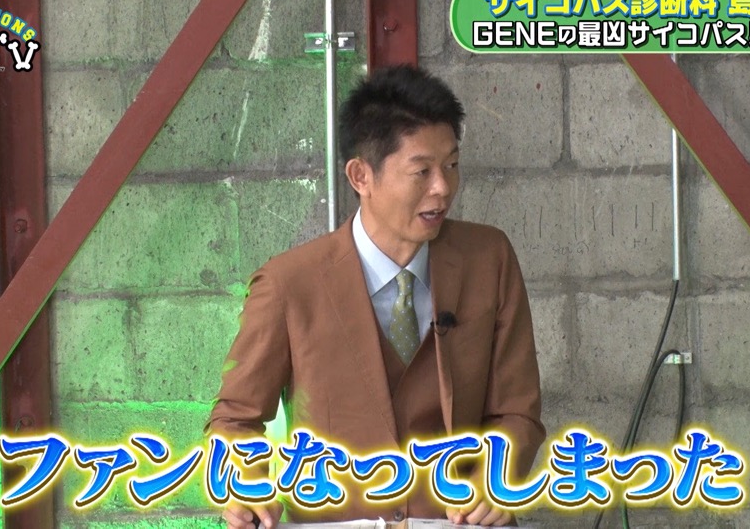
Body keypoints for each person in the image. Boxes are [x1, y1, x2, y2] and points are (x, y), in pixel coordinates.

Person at [205, 65, 544, 528]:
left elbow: (517, 411)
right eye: (422, 171)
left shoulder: (489, 259)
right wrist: (246, 483)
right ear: (360, 175)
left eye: (451, 165)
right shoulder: (288, 283)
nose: (443, 187)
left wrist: (496, 477)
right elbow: (233, 419)